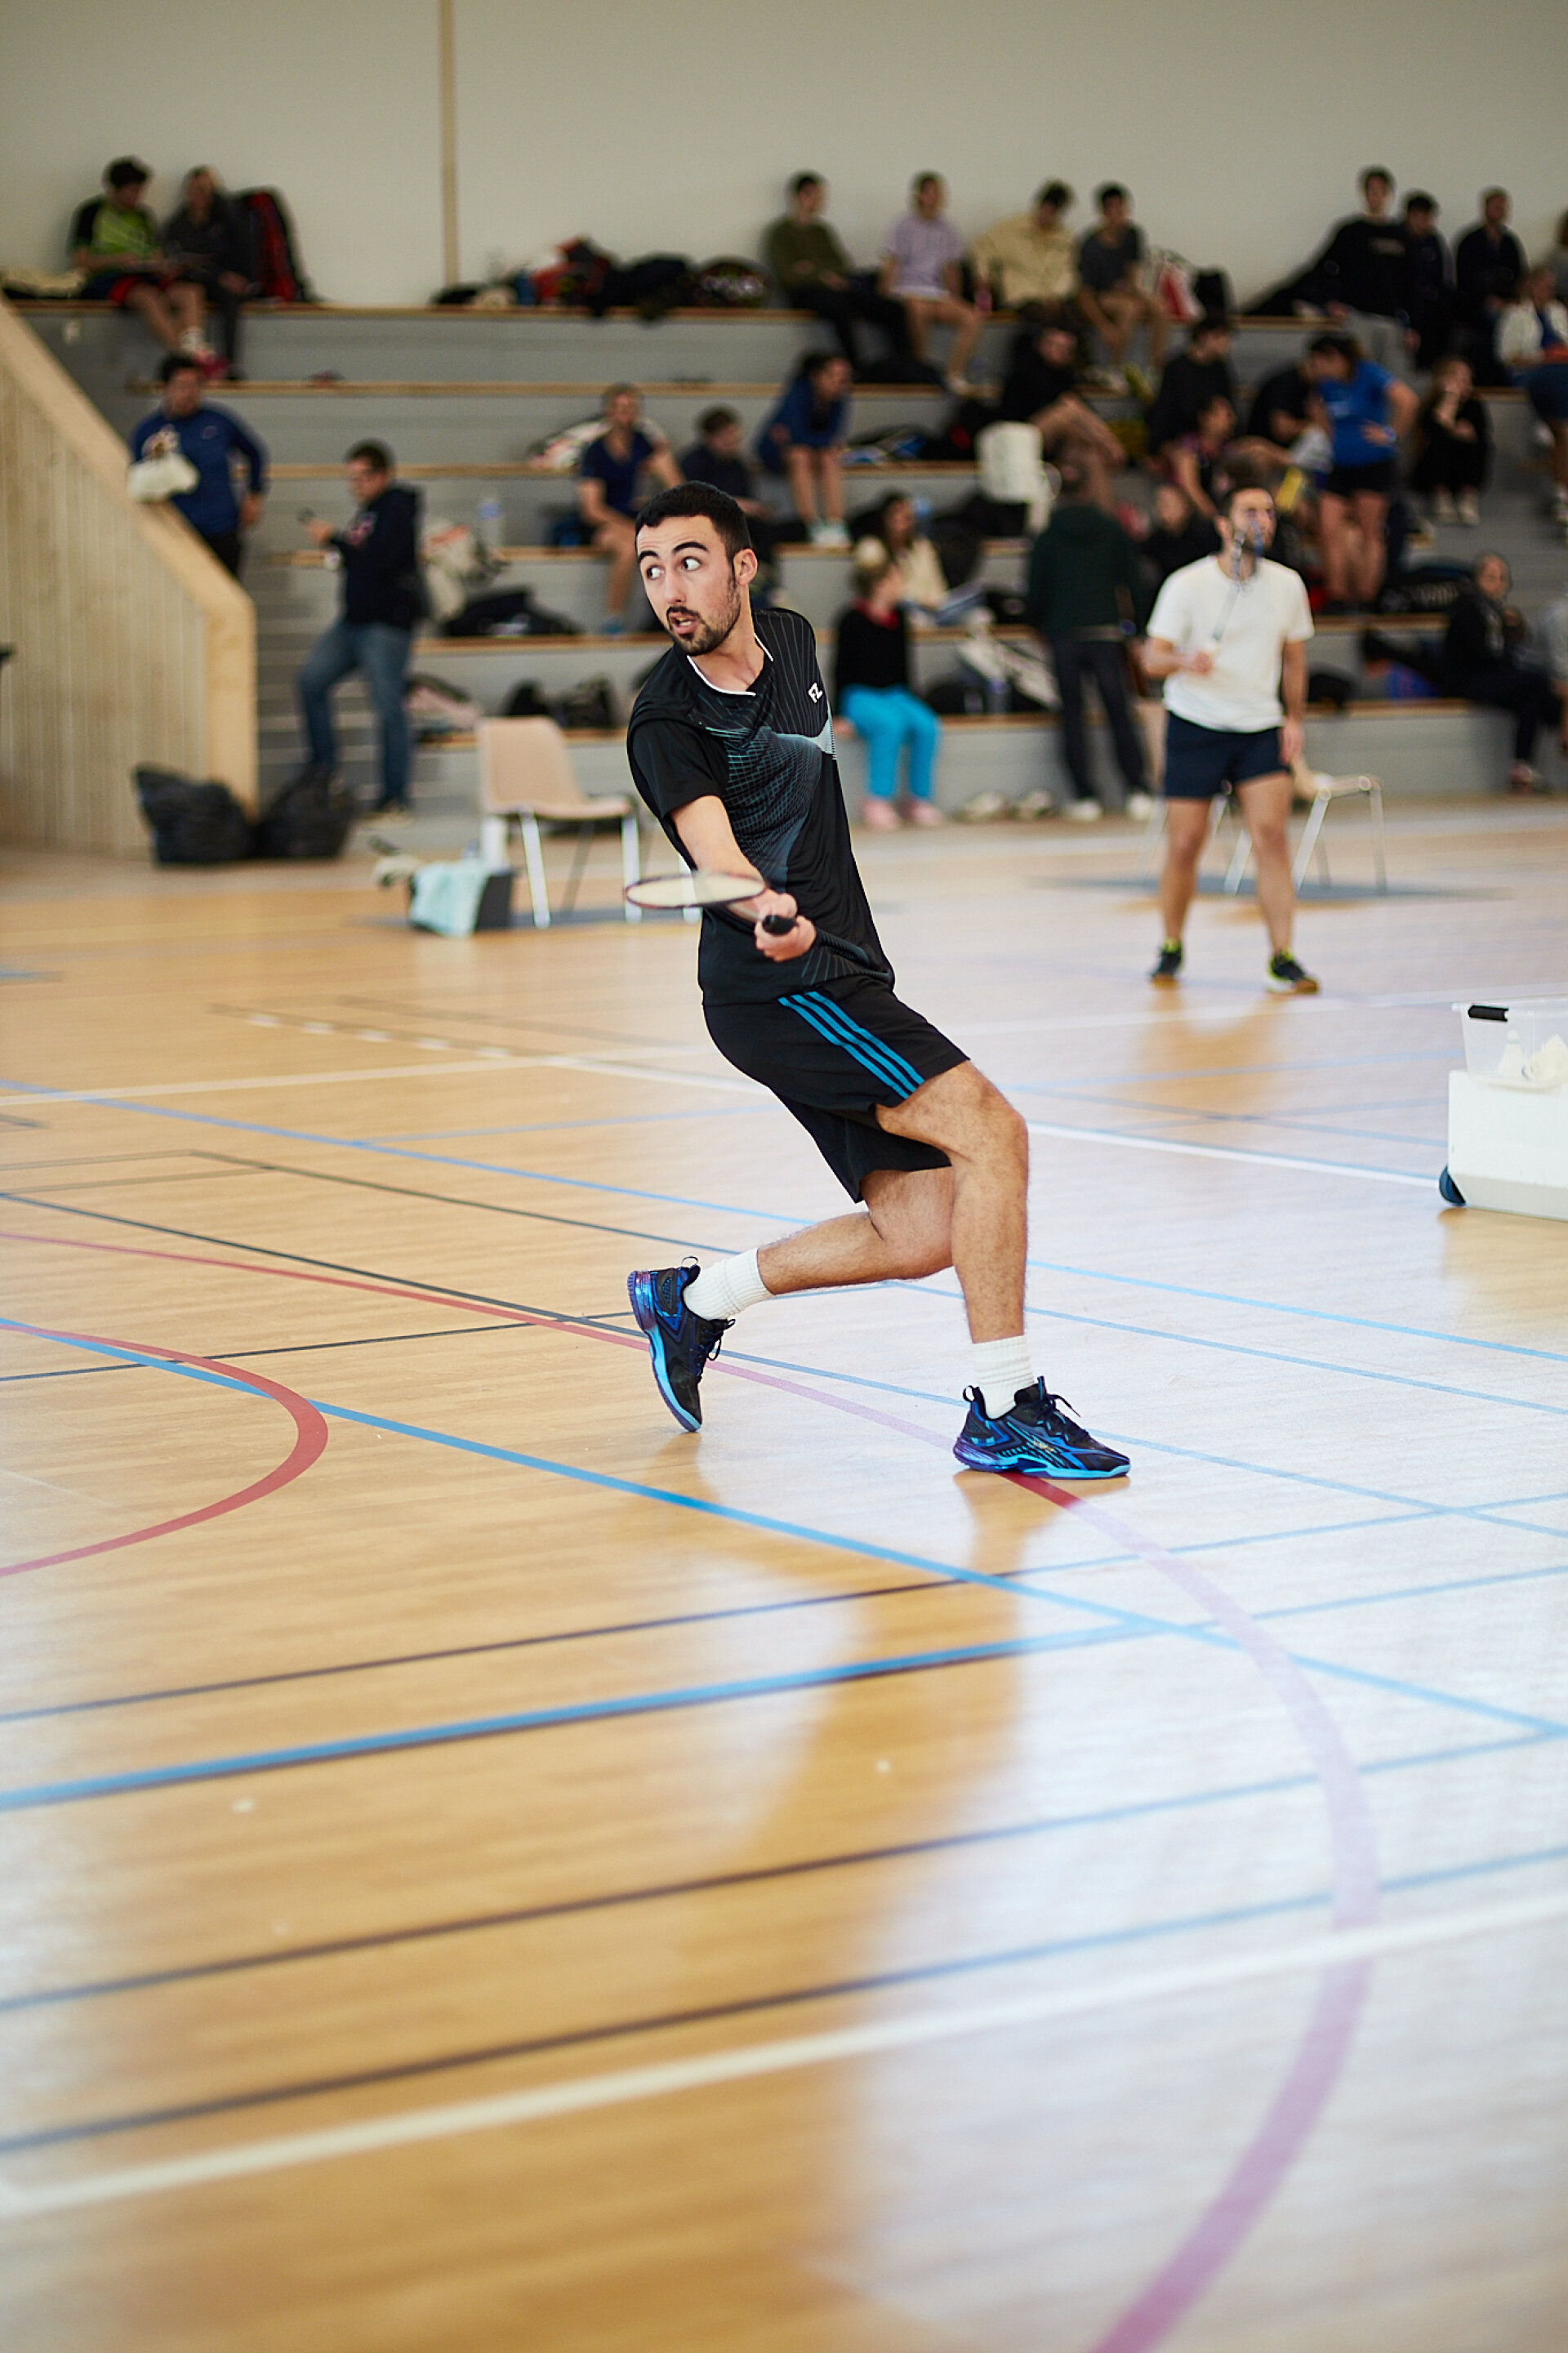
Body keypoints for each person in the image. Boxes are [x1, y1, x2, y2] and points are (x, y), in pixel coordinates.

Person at [623, 481, 1127, 1480]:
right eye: (650, 571)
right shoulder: (666, 721)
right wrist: (764, 909)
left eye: (689, 562)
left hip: (848, 969)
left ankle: (694, 1302)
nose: (669, 589)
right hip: (781, 984)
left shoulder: (795, 643)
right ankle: (1006, 1406)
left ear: (742, 566)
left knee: (921, 1228)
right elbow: (716, 855)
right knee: (995, 1133)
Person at [1143, 481, 1318, 995]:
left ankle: (1282, 957)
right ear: (1224, 524)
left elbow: (1294, 661)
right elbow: (1152, 658)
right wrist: (1184, 660)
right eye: (1249, 511)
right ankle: (1171, 945)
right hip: (1196, 724)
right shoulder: (1187, 585)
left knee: (1271, 839)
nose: (1261, 520)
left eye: (1268, 512)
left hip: (1259, 726)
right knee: (1185, 844)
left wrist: (1293, 719)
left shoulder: (1287, 585)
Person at [295, 441, 423, 816]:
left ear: (383, 475)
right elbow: (360, 558)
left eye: (363, 477)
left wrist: (333, 539)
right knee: (311, 681)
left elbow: (380, 561)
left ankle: (395, 797)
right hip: (353, 622)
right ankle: (324, 774)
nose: (356, 485)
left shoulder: (396, 509)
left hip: (386, 625)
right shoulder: (368, 513)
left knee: (388, 709)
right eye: (351, 478)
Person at [1025, 463, 1151, 820]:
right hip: (1106, 632)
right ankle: (1136, 788)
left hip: (1063, 634)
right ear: (1088, 489)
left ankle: (1084, 795)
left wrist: (1039, 625)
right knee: (1118, 712)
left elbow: (1035, 590)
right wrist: (1138, 629)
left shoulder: (1048, 535)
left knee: (1072, 715)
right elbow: (1133, 581)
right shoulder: (1110, 528)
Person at [1306, 332, 1419, 613]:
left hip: (1373, 465)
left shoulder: (1369, 373)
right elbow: (1317, 409)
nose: (1316, 368)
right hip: (1339, 465)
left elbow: (1407, 400)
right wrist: (1330, 436)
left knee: (1370, 532)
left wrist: (1391, 434)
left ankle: (1368, 597)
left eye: (1319, 361)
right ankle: (1337, 594)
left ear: (1334, 358)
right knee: (1328, 529)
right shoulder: (1326, 384)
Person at [127, 352, 267, 576]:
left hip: (221, 527)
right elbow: (138, 479)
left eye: (195, 386)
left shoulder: (217, 422)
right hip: (175, 532)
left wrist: (254, 496)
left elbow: (255, 452)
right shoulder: (148, 431)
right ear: (165, 387)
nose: (189, 393)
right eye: (182, 386)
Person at [834, 555, 945, 829]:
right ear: (880, 585)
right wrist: (838, 714)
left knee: (927, 725)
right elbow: (840, 668)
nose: (901, 585)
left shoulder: (900, 618)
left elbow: (906, 665)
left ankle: (918, 798)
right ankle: (877, 799)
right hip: (860, 695)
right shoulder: (850, 620)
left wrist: (913, 700)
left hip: (896, 694)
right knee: (889, 726)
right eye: (896, 579)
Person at [762, 172, 909, 375]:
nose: (817, 201)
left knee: (892, 308)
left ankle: (902, 366)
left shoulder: (822, 231)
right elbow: (787, 275)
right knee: (839, 307)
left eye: (819, 196)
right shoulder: (780, 232)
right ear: (798, 196)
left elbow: (840, 264)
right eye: (812, 195)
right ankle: (855, 366)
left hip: (835, 288)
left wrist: (810, 268)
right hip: (804, 293)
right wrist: (821, 275)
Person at [69, 158, 213, 363]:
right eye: (132, 191)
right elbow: (81, 261)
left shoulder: (143, 216)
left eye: (140, 191)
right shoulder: (91, 212)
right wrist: (118, 260)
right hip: (110, 279)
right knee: (148, 297)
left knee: (190, 293)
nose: (137, 197)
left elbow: (156, 254)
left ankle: (194, 346)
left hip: (146, 275)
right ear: (116, 189)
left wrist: (163, 266)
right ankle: (184, 359)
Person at [1441, 554, 1561, 791]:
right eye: (1490, 577)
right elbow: (1484, 655)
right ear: (1477, 580)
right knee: (1539, 683)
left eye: (1501, 578)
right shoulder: (1467, 610)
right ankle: (1556, 721)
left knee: (1531, 703)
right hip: (1469, 679)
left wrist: (1514, 630)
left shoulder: (1499, 612)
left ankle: (1521, 767)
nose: (1496, 584)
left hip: (1493, 676)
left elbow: (1510, 652)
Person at [577, 384, 681, 631]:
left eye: (630, 408)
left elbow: (677, 487)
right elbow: (591, 510)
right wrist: (629, 526)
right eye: (619, 408)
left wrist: (658, 491)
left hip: (635, 519)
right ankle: (613, 619)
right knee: (627, 547)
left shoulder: (642, 444)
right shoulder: (595, 452)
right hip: (603, 524)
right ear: (608, 412)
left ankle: (665, 614)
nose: (625, 413)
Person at [997, 309, 1125, 508]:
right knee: (1067, 411)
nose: (1057, 352)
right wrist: (1105, 441)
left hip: (1052, 442)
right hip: (1018, 436)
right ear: (1041, 344)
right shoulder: (1027, 369)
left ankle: (1107, 520)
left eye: (1064, 349)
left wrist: (1099, 442)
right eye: (1053, 345)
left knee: (1091, 457)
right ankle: (1111, 446)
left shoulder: (1065, 376)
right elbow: (1066, 411)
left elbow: (1081, 415)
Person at [879, 174, 981, 396]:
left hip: (936, 292)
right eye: (930, 193)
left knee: (972, 317)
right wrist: (883, 294)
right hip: (908, 289)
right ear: (919, 196)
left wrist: (955, 297)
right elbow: (892, 262)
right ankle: (920, 368)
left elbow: (951, 268)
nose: (935, 198)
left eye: (938, 193)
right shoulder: (902, 225)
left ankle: (954, 373)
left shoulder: (948, 229)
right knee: (918, 311)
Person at [1309, 169, 1414, 372]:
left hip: (1392, 320)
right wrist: (1331, 301)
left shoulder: (1401, 235)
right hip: (1358, 317)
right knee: (1359, 375)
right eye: (1372, 191)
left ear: (1388, 194)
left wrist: (1412, 325)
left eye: (1381, 191)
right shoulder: (1350, 232)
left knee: (1394, 378)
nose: (1376, 196)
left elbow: (1411, 281)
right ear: (1364, 194)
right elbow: (1323, 267)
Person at [161, 167, 255, 376]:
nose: (200, 196)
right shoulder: (177, 225)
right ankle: (193, 359)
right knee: (192, 293)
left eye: (205, 190)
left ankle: (230, 364)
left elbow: (243, 251)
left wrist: (241, 278)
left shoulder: (226, 221)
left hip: (218, 281)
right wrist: (218, 274)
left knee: (230, 298)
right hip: (191, 280)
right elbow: (179, 259)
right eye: (195, 190)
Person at [755, 350, 853, 545]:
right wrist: (825, 442)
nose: (839, 383)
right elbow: (796, 435)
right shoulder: (798, 393)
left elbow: (834, 434)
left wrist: (825, 443)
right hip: (776, 453)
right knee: (800, 455)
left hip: (813, 452)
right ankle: (810, 523)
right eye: (833, 376)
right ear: (816, 376)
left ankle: (836, 523)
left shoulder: (840, 399)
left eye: (843, 378)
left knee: (829, 457)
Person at [1496, 267, 1568, 524]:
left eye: (1551, 287)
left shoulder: (1559, 312)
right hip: (1530, 372)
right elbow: (1507, 355)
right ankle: (1553, 421)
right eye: (1544, 285)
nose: (1548, 291)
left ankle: (1554, 423)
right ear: (1531, 285)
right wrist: (1543, 357)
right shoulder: (1515, 314)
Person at [1075, 184, 1165, 385]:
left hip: (1126, 290)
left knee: (1160, 307)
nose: (1118, 214)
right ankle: (1114, 368)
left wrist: (1137, 291)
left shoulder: (1132, 234)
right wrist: (1103, 326)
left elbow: (1133, 270)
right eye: (1113, 209)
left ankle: (1155, 368)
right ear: (1103, 212)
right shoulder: (1091, 245)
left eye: (1121, 208)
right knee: (1130, 308)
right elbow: (1085, 294)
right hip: (1102, 296)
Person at [678, 406, 781, 580]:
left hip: (741, 519)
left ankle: (764, 576)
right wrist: (736, 504)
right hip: (709, 521)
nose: (733, 442)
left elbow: (747, 498)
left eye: (735, 437)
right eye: (727, 436)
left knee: (785, 529)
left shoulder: (737, 465)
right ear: (711, 438)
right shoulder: (693, 463)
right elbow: (693, 502)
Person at [971, 182, 1077, 316]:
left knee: (1070, 317)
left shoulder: (1064, 239)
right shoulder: (1011, 229)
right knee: (1040, 315)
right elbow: (982, 249)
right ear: (1039, 205)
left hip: (1053, 298)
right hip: (1020, 297)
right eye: (1045, 210)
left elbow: (1067, 273)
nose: (1046, 216)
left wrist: (1057, 295)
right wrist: (983, 275)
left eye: (1052, 213)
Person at [1408, 355, 1491, 524]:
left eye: (1466, 379)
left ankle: (1468, 498)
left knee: (1478, 446)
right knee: (1440, 442)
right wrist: (1450, 397)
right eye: (1457, 378)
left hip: (1463, 466)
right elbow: (1436, 428)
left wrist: (1453, 430)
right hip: (1434, 470)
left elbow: (1478, 433)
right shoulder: (1433, 403)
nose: (1463, 383)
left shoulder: (1474, 404)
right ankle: (1441, 496)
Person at [1454, 189, 1526, 380]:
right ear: (1485, 208)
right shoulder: (1470, 241)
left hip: (1506, 303)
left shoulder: (1510, 242)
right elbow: (1464, 279)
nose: (1499, 210)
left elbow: (1520, 276)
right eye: (1495, 206)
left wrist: (1512, 301)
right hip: (1476, 305)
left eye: (1503, 207)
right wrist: (1487, 300)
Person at [851, 493, 953, 622]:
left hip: (931, 609)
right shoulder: (870, 547)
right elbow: (872, 589)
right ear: (884, 519)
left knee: (975, 616)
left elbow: (938, 587)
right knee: (915, 618)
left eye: (906, 518)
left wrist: (931, 602)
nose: (901, 523)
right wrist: (915, 599)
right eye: (895, 517)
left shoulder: (922, 547)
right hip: (890, 610)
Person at [1145, 315, 1236, 458]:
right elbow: (1167, 409)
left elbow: (1227, 404)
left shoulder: (1220, 368)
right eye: (1219, 336)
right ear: (1203, 336)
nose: (1225, 343)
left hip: (1215, 437)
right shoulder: (1177, 368)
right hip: (1182, 436)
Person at [1167, 394, 1242, 524]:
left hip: (1223, 515)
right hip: (1195, 516)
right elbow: (1191, 489)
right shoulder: (1188, 449)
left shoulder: (1228, 449)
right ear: (1205, 418)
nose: (1232, 420)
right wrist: (1216, 520)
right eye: (1226, 415)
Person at [1401, 192, 1452, 372]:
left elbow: (1444, 278)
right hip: (1405, 309)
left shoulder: (1434, 241)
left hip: (1433, 308)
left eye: (1428, 217)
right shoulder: (1397, 239)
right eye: (1420, 216)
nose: (1424, 222)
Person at [1139, 481, 1220, 593]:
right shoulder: (1152, 543)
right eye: (1159, 503)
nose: (1162, 510)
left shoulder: (1205, 537)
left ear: (1186, 506)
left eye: (1168, 504)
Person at [1245, 350, 1318, 453]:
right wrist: (1316, 426)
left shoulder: (1315, 386)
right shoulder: (1284, 384)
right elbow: (1282, 430)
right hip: (1264, 452)